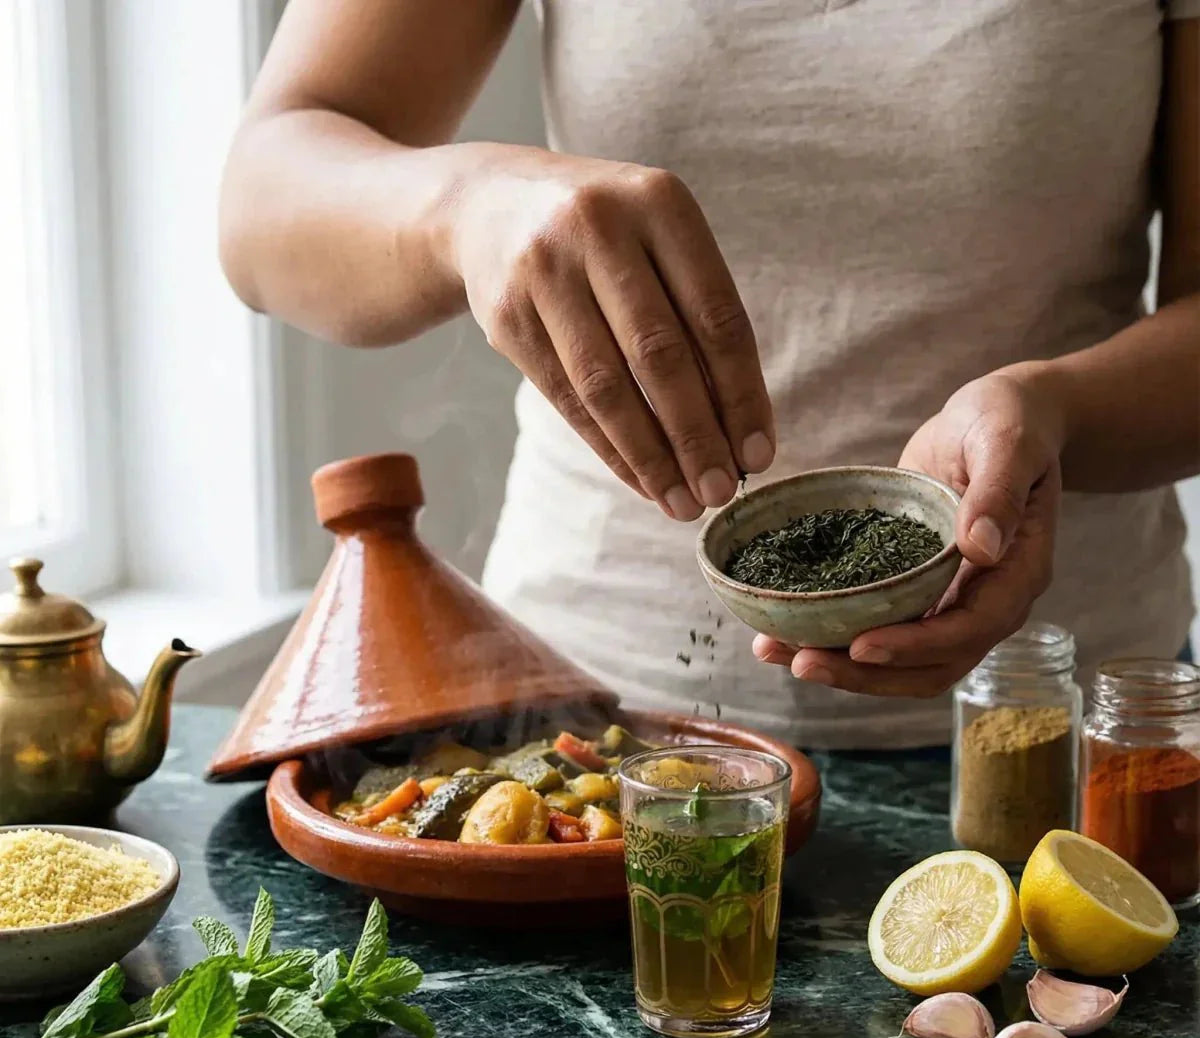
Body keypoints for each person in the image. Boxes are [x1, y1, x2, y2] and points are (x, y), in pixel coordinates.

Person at [219, 0, 1200, 749]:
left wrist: (1052, 412)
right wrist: (464, 207)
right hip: (590, 726)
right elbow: (263, 205)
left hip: (1059, 731)